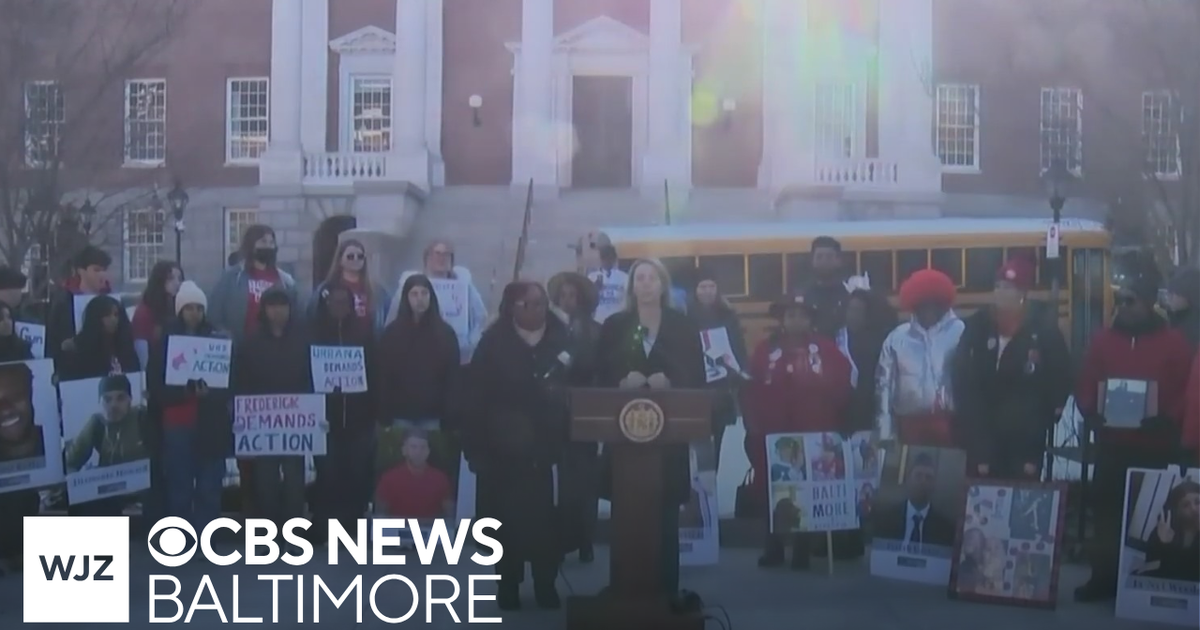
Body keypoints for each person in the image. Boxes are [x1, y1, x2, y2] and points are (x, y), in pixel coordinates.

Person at [1073, 269, 1193, 602]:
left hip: (1155, 445)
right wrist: (1090, 411)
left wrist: (1169, 419)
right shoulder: (1102, 340)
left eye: (1131, 300)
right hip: (1112, 445)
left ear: (1149, 302)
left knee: (1151, 516)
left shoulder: (1174, 343)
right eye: (1120, 300)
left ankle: (1144, 580)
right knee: (1106, 513)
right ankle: (1103, 578)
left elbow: (1186, 388)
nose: (1123, 306)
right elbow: (1087, 380)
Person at [465, 281, 585, 611]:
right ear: (511, 308)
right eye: (527, 304)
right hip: (503, 452)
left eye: (541, 303)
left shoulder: (563, 340)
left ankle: (546, 582)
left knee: (547, 524)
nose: (536, 309)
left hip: (549, 451)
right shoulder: (492, 343)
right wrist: (475, 448)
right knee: (505, 523)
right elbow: (474, 398)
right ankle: (507, 583)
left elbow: (582, 384)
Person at [594, 259, 705, 598]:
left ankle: (666, 590)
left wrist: (671, 381)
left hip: (668, 439)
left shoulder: (682, 326)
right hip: (624, 440)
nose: (644, 283)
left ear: (662, 285)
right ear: (631, 287)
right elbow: (599, 372)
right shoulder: (615, 325)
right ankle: (623, 589)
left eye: (651, 278)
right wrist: (619, 381)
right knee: (627, 516)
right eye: (638, 278)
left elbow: (696, 374)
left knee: (665, 515)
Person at [745, 292, 851, 569]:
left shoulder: (826, 349)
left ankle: (803, 550)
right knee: (773, 490)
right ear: (782, 319)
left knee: (808, 490)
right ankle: (774, 548)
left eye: (802, 316)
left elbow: (843, 383)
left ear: (810, 320)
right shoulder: (765, 349)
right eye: (791, 315)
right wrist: (752, 421)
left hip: (813, 433)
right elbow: (751, 387)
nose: (796, 320)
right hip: (773, 435)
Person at [953, 258, 1072, 479]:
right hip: (984, 431)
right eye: (997, 286)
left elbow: (1059, 376)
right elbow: (962, 376)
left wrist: (1045, 422)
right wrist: (971, 426)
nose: (1000, 292)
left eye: (1007, 287)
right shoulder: (978, 325)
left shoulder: (1043, 329)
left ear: (1022, 293)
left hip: (1026, 436)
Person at [210, 224, 299, 516]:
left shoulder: (285, 279)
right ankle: (253, 510)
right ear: (250, 244)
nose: (268, 244)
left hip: (280, 363)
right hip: (243, 364)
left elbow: (299, 316)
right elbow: (215, 316)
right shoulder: (232, 278)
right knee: (248, 448)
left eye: (272, 240)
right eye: (262, 240)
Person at [146, 281, 230, 530]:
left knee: (209, 488)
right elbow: (155, 387)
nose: (195, 313)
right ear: (180, 310)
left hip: (210, 424)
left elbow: (229, 383)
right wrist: (183, 393)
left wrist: (211, 394)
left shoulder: (218, 340)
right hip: (177, 423)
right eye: (189, 308)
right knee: (179, 488)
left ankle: (206, 538)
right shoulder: (164, 342)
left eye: (199, 308)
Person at [232, 286, 312, 535]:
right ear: (264, 309)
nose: (278, 311)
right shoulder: (250, 343)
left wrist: (315, 413)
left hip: (296, 423)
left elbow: (311, 379)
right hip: (262, 424)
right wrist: (242, 414)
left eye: (283, 305)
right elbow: (241, 382)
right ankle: (269, 534)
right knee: (265, 481)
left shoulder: (303, 340)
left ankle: (294, 533)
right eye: (272, 306)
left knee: (295, 481)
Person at [310, 284, 377, 538]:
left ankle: (352, 528)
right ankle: (324, 527)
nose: (339, 307)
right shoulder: (313, 333)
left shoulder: (364, 333)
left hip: (359, 418)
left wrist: (372, 408)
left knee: (357, 474)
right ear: (325, 305)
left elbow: (375, 372)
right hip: (324, 419)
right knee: (327, 475)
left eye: (344, 302)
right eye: (334, 302)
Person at [377, 274, 460, 471]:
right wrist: (384, 416)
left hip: (434, 418)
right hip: (400, 417)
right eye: (414, 294)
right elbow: (384, 377)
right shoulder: (392, 334)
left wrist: (450, 418)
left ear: (432, 297)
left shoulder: (446, 334)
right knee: (399, 474)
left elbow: (452, 379)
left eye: (424, 293)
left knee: (432, 475)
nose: (420, 299)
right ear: (406, 298)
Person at [547, 271, 602, 563]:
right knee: (561, 481)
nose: (568, 300)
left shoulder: (595, 330)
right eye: (563, 295)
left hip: (586, 412)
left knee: (585, 479)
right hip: (555, 412)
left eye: (573, 295)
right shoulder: (547, 328)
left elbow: (601, 369)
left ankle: (585, 539)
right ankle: (561, 538)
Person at [876, 269, 964, 448]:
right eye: (922, 305)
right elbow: (884, 386)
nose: (928, 310)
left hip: (951, 422)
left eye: (933, 304)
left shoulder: (961, 332)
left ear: (943, 304)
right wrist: (885, 431)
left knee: (949, 466)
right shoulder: (896, 338)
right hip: (909, 424)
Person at [386, 240, 487, 364]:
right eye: (437, 253)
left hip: (453, 351)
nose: (441, 258)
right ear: (427, 257)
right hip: (415, 352)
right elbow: (393, 317)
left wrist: (469, 342)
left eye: (446, 254)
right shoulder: (411, 284)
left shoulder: (465, 286)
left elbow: (481, 317)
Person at [687, 267, 748, 467]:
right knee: (699, 440)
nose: (707, 291)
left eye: (711, 286)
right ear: (695, 290)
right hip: (696, 386)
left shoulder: (728, 314)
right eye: (702, 287)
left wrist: (742, 371)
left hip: (723, 386)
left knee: (723, 437)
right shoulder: (685, 316)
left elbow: (738, 346)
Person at [0, 323, 35, 575]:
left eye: (7, 317)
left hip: (24, 442)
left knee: (25, 494)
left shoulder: (22, 349)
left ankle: (21, 550)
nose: (4, 322)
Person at [307, 239, 390, 337]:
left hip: (369, 342)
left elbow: (388, 317)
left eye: (360, 256)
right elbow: (313, 318)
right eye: (350, 256)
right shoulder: (326, 289)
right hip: (338, 341)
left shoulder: (378, 291)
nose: (356, 259)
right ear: (340, 260)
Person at [64, 374, 147, 471]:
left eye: (121, 398)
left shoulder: (142, 418)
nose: (114, 405)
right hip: (109, 479)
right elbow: (69, 464)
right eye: (107, 399)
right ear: (99, 402)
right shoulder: (97, 424)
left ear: (130, 400)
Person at [47, 245, 112, 368]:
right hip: (74, 368)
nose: (102, 275)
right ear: (81, 271)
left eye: (105, 270)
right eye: (97, 270)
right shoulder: (64, 303)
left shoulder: (112, 301)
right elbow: (54, 342)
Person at [872, 452, 955, 547]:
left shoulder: (945, 529)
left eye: (928, 478)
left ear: (934, 484)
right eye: (918, 476)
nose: (923, 482)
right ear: (908, 480)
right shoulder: (885, 520)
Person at [375, 429, 454, 519]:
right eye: (413, 447)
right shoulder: (389, 479)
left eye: (423, 447)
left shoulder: (440, 479)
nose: (418, 452)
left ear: (428, 451)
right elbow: (379, 514)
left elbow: (450, 515)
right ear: (404, 450)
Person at [59, 294, 140, 381]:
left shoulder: (126, 347)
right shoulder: (80, 353)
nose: (113, 319)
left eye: (116, 315)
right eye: (107, 315)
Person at [1137, 479, 1200, 582]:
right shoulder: (1164, 529)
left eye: (1198, 502)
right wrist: (1164, 544)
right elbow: (1153, 567)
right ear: (1177, 511)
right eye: (1185, 505)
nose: (1193, 509)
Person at [131, 261, 184, 368]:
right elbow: (142, 356)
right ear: (159, 280)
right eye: (170, 278)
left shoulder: (179, 307)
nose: (177, 283)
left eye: (180, 279)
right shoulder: (144, 312)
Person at [801, 236, 849, 338]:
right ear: (812, 261)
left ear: (839, 261)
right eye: (819, 257)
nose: (824, 261)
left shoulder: (849, 294)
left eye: (829, 257)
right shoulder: (802, 297)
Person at [588, 244, 629, 323]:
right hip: (599, 321)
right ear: (600, 259)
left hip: (618, 321)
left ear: (614, 259)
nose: (606, 261)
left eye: (610, 258)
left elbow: (629, 298)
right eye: (604, 258)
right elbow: (587, 301)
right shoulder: (592, 277)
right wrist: (594, 289)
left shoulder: (624, 277)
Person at [1165, 266, 1199, 351]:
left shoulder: (1193, 329)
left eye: (1174, 293)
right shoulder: (1176, 318)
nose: (1169, 298)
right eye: (1169, 293)